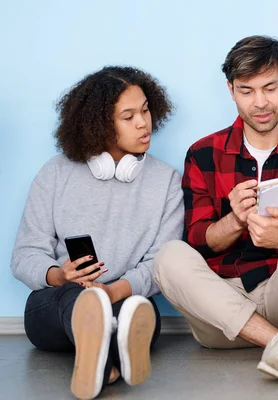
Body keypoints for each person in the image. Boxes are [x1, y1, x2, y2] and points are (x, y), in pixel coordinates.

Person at [154, 35, 278, 383]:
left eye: (270, 88)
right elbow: (199, 240)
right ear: (231, 90)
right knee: (168, 256)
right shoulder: (203, 153)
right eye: (246, 91)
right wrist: (234, 221)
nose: (260, 103)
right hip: (222, 315)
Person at [11, 66, 184, 398]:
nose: (143, 123)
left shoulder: (165, 181)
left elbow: (161, 262)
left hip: (125, 298)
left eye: (146, 110)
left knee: (137, 313)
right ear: (100, 123)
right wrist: (58, 275)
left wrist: (114, 291)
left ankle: (103, 366)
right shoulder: (55, 174)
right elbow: (24, 255)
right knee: (77, 302)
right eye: (128, 116)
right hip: (56, 301)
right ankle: (110, 349)